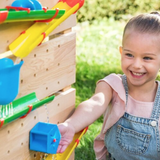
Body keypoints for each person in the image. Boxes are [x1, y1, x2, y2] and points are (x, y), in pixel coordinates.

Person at [57, 12, 160, 160]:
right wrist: (70, 125)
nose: (137, 65)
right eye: (129, 55)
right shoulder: (113, 85)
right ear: (121, 52)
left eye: (147, 58)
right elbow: (95, 103)